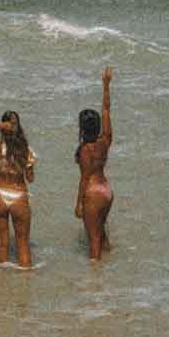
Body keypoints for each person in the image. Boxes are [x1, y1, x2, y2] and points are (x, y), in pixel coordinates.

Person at [0, 107, 37, 268]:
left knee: (2, 243)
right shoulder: (26, 151)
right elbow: (30, 179)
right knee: (22, 244)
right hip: (18, 196)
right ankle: (25, 284)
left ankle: (3, 285)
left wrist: (0, 125)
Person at [74, 65, 115, 261]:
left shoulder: (85, 150)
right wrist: (106, 85)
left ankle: (95, 283)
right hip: (106, 191)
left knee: (93, 242)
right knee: (102, 233)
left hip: (92, 192)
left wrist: (78, 203)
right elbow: (106, 109)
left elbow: (84, 178)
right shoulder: (105, 140)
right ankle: (111, 269)